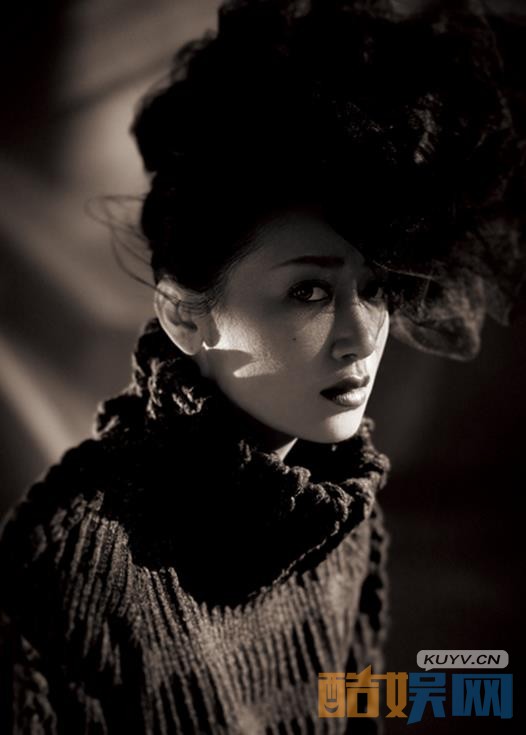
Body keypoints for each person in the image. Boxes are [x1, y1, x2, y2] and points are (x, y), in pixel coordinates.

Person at [0, 1, 524, 733]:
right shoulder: (70, 570)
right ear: (186, 315)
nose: (360, 338)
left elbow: (345, 705)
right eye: (309, 291)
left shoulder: (338, 511)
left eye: (377, 287)